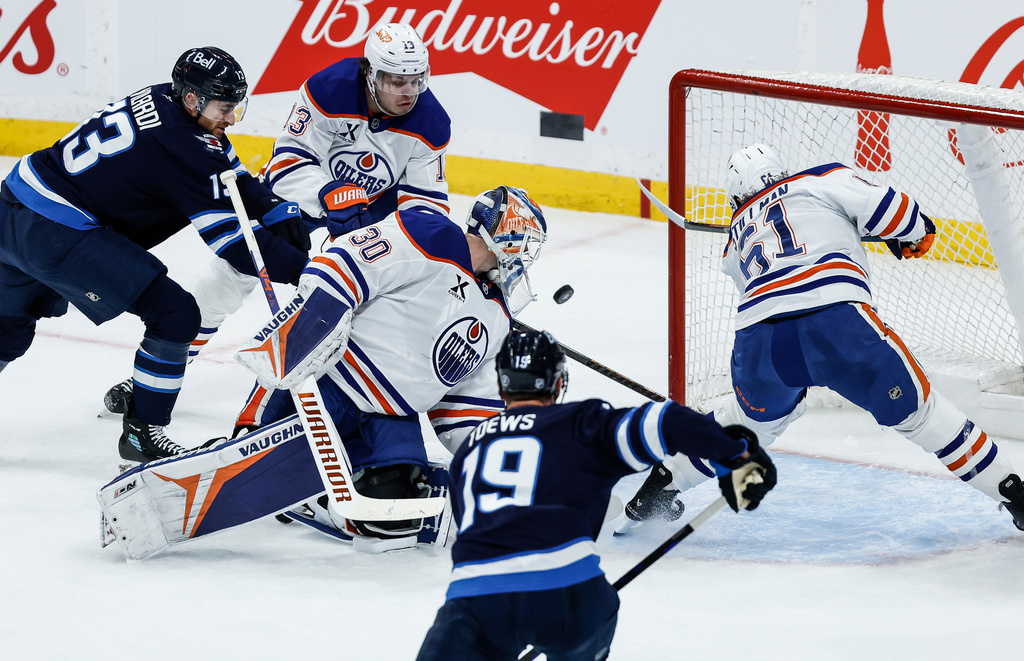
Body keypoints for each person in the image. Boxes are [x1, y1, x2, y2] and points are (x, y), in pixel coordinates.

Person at [620, 143, 1024, 533]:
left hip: (761, 344)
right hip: (835, 324)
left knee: (747, 427)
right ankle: (1015, 496)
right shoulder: (817, 179)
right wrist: (916, 233)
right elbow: (894, 210)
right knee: (922, 415)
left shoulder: (735, 239)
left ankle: (662, 484)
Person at [100, 23, 453, 417]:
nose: (408, 93)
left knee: (372, 306)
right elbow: (288, 161)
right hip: (296, 200)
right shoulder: (329, 88)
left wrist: (394, 242)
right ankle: (167, 366)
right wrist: (328, 193)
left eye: (416, 81)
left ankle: (356, 394)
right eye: (395, 81)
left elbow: (427, 205)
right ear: (370, 73)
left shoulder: (431, 122)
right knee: (227, 280)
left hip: (370, 218)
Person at [0, 46, 311, 463]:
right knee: (175, 314)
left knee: (6, 332)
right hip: (57, 231)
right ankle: (143, 432)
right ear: (192, 100)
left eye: (236, 106)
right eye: (224, 107)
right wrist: (311, 271)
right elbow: (236, 246)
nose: (232, 118)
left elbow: (225, 168)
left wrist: (269, 204)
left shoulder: (161, 96)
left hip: (12, 207)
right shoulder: (184, 146)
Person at [414, 329, 777, 661]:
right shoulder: (579, 424)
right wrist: (737, 455)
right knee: (588, 616)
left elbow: (480, 528)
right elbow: (668, 422)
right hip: (570, 592)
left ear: (503, 387)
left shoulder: (468, 450)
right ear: (558, 384)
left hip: (478, 600)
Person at [232, 184, 547, 545]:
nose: (529, 254)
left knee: (393, 520)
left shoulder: (498, 317)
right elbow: (340, 262)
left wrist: (504, 460)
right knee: (249, 456)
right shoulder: (433, 235)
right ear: (507, 229)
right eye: (529, 241)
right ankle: (247, 447)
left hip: (390, 420)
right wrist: (316, 322)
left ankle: (311, 494)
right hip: (329, 382)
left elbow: (467, 411)